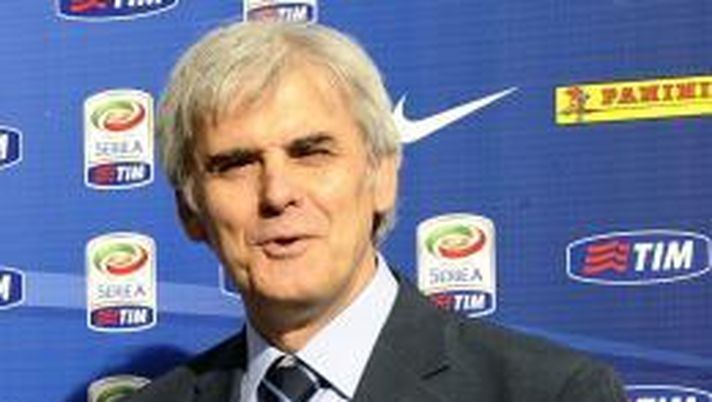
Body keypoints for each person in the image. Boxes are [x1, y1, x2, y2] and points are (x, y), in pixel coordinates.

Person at [127, 21, 626, 402]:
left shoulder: (549, 392)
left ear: (382, 177)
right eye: (236, 164)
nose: (277, 193)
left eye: (311, 152)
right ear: (189, 210)